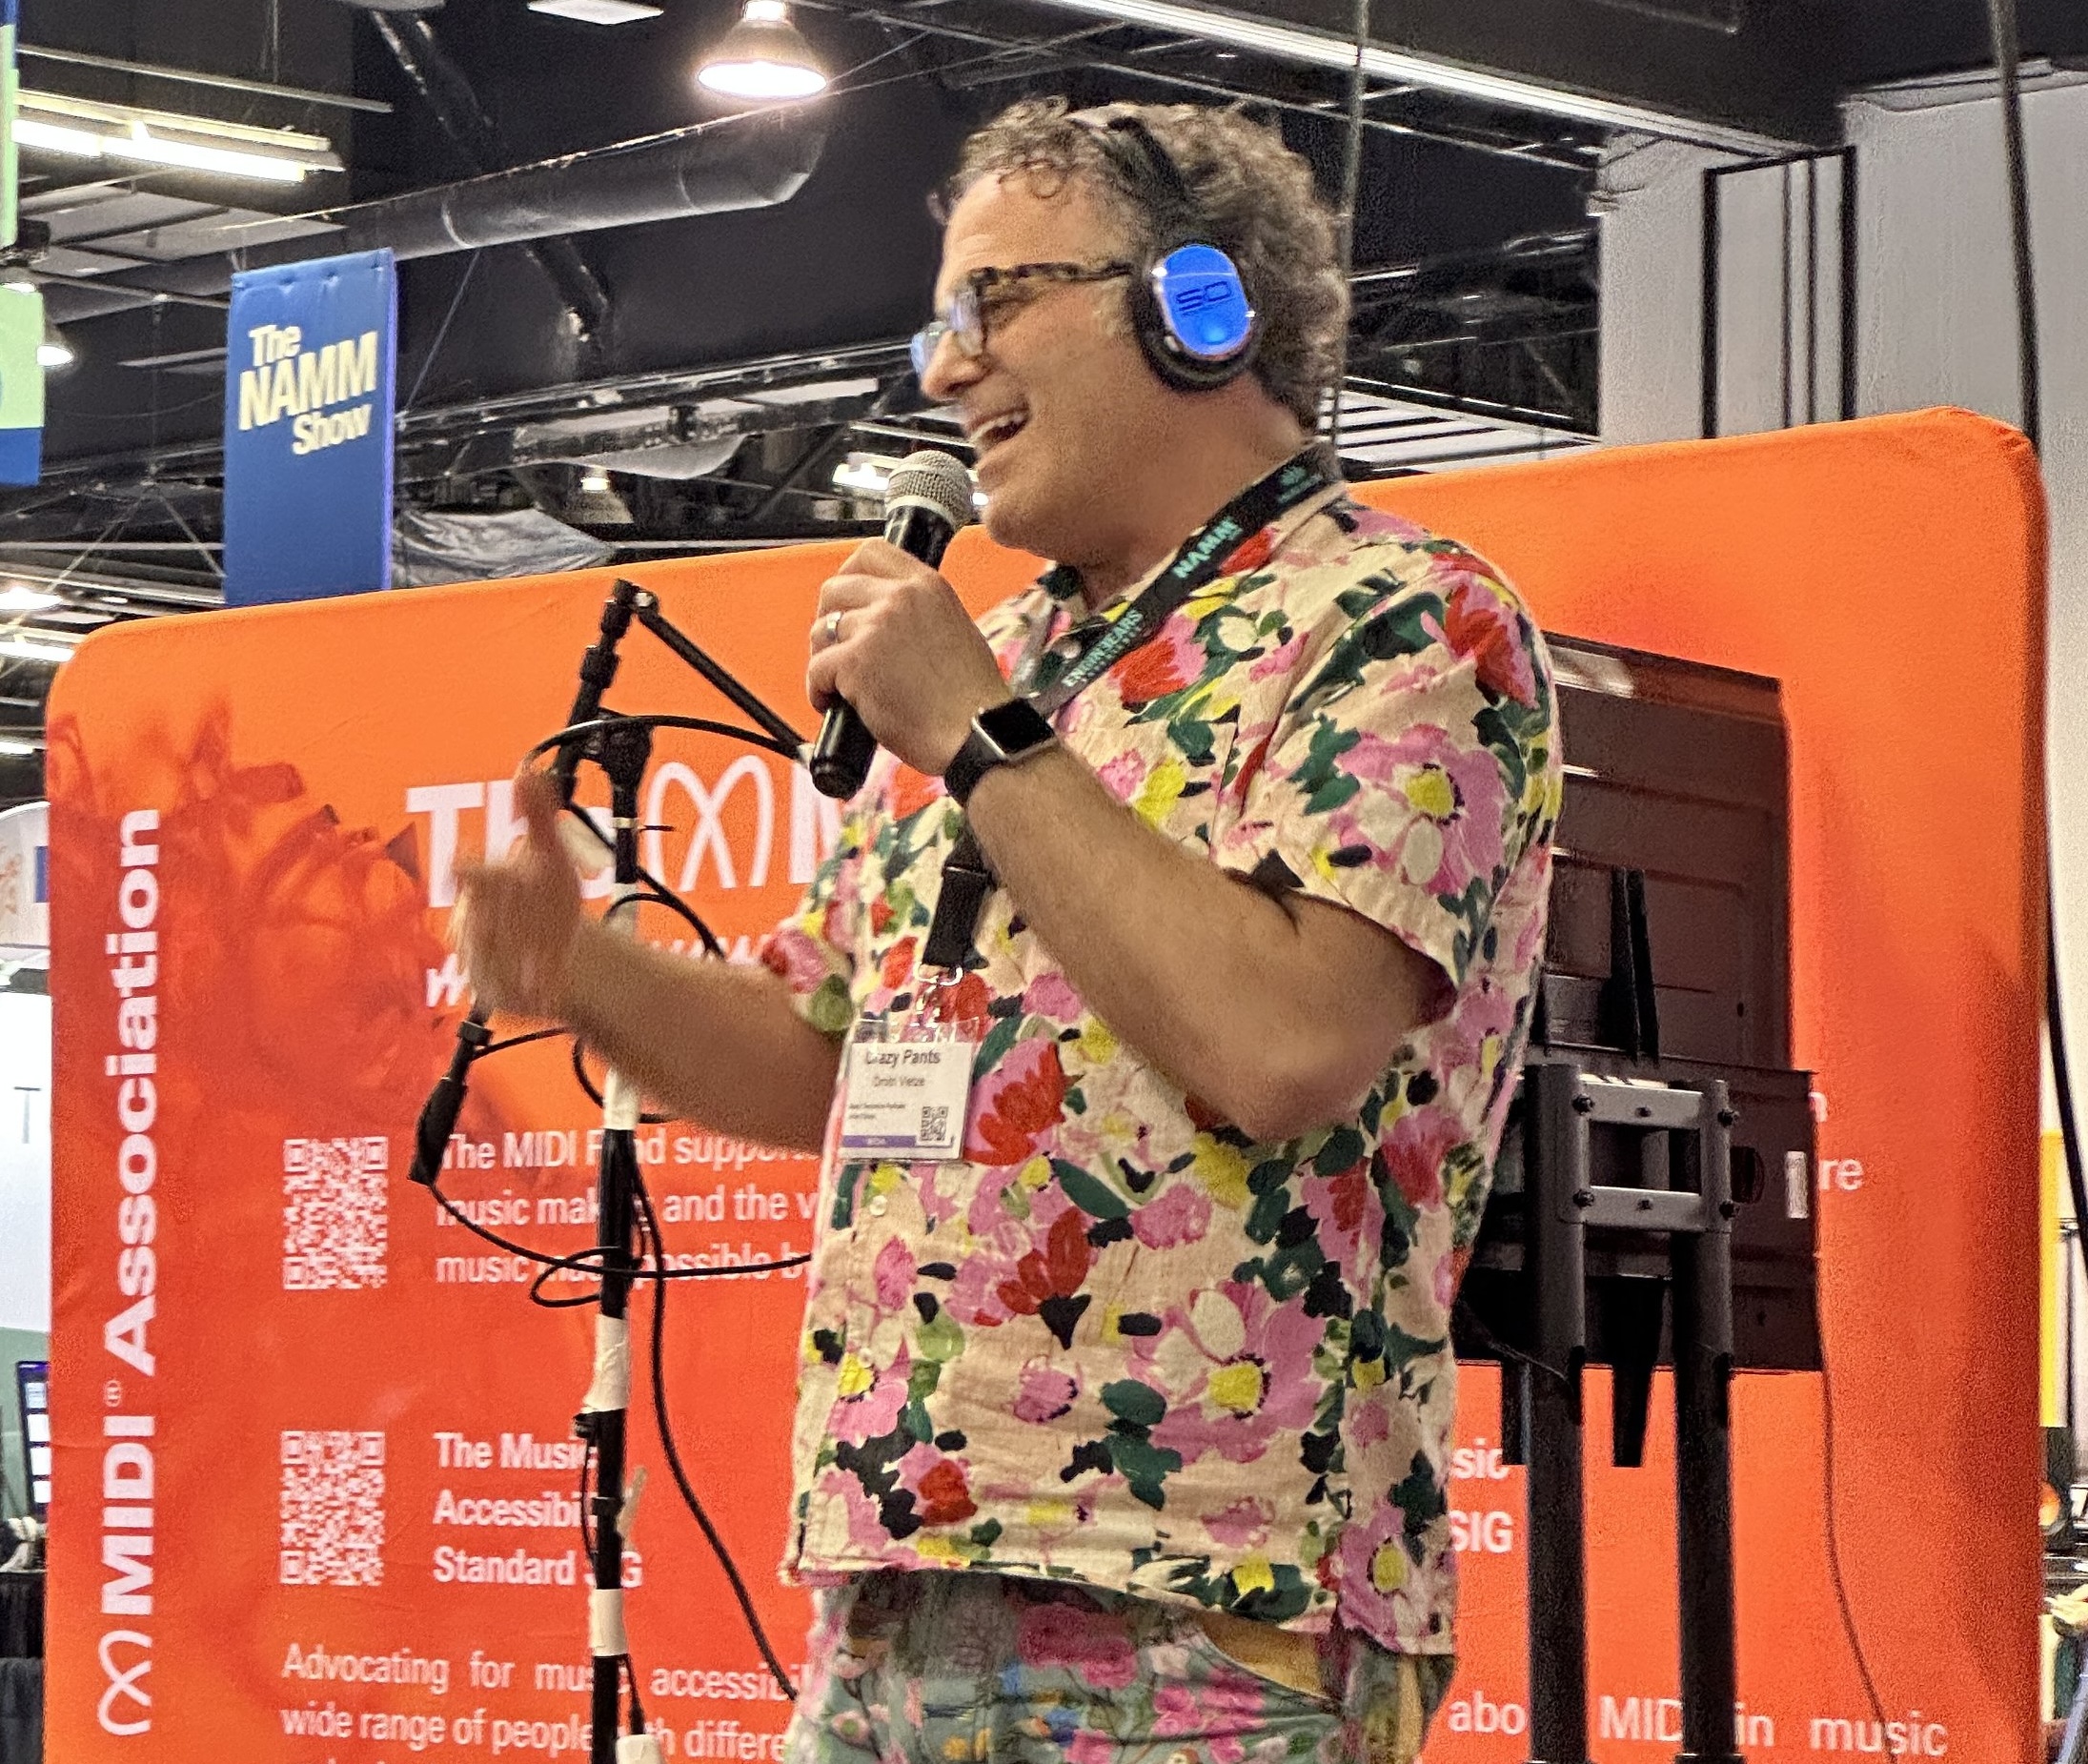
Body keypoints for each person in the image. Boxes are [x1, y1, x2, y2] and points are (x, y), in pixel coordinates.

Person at [454, 97, 1561, 1764]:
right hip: (898, 1604)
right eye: (939, 320)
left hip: (1203, 1627)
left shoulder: (1397, 623)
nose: (944, 369)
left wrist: (977, 736)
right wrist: (578, 966)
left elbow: (1285, 1045)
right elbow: (822, 1064)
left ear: (1200, 308)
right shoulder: (1005, 669)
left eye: (997, 302)